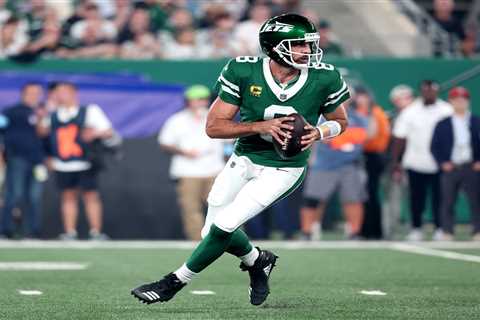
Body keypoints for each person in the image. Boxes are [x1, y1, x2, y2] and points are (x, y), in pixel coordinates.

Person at [131, 13, 349, 305]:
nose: (307, 51)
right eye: (298, 45)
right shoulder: (243, 71)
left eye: (309, 45)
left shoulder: (325, 76)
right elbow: (214, 127)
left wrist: (320, 131)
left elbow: (340, 121)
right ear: (275, 46)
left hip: (284, 167)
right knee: (210, 231)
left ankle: (173, 282)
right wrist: (260, 126)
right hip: (245, 157)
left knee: (225, 225)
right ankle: (257, 260)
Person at [37, 82, 113, 240]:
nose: (60, 95)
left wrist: (94, 134)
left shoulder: (90, 110)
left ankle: (96, 232)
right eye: (57, 92)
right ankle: (70, 232)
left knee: (90, 196)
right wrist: (44, 113)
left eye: (64, 92)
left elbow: (108, 131)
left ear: (74, 93)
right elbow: (41, 132)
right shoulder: (52, 113)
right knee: (67, 196)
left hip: (85, 162)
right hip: (63, 163)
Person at [158, 85, 225, 240]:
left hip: (214, 170)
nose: (201, 103)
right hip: (187, 172)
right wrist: (184, 152)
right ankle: (197, 242)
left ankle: (230, 241)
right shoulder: (176, 120)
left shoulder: (216, 117)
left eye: (204, 99)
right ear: (189, 102)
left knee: (222, 207)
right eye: (197, 100)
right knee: (191, 209)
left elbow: (229, 142)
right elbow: (164, 143)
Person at [391, 80, 452, 241]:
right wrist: (396, 162)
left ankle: (440, 228)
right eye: (426, 91)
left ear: (437, 92)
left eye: (432, 91)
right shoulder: (410, 111)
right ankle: (416, 228)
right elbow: (399, 138)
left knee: (440, 198)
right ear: (421, 92)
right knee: (417, 199)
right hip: (415, 162)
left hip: (440, 163)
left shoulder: (446, 110)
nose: (429, 94)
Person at [300, 98, 368, 240]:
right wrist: (342, 139)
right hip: (324, 164)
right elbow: (321, 138)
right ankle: (307, 231)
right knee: (312, 199)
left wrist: (337, 140)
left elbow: (360, 138)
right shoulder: (320, 116)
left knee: (353, 199)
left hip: (349, 164)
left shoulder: (357, 117)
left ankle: (355, 232)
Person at [431, 87, 480, 241]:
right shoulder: (443, 123)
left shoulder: (476, 121)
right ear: (451, 102)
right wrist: (442, 163)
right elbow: (435, 146)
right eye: (456, 99)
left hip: (471, 166)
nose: (460, 102)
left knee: (476, 201)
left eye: (463, 99)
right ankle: (447, 231)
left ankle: (477, 231)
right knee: (447, 201)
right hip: (451, 167)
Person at [0, 83, 47, 239]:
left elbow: (45, 136)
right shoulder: (12, 112)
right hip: (17, 158)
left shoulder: (42, 113)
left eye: (38, 93)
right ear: (23, 93)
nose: (35, 96)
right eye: (32, 92)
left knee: (34, 196)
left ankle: (33, 231)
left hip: (37, 161)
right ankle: (7, 229)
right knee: (14, 194)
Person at [354, 88, 391, 239]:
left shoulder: (375, 113)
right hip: (359, 156)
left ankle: (374, 231)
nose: (361, 100)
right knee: (361, 195)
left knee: (371, 193)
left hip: (373, 157)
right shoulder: (356, 113)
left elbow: (371, 135)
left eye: (364, 97)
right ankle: (363, 229)